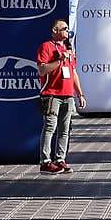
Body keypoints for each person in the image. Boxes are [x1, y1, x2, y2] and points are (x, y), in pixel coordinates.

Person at [36, 18, 77, 174]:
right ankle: (45, 161)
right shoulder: (46, 47)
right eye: (64, 28)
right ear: (55, 30)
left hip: (68, 95)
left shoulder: (69, 50)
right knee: (49, 128)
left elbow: (73, 73)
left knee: (65, 129)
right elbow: (42, 70)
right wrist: (59, 59)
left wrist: (80, 93)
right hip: (52, 94)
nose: (67, 31)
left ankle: (60, 159)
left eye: (67, 29)